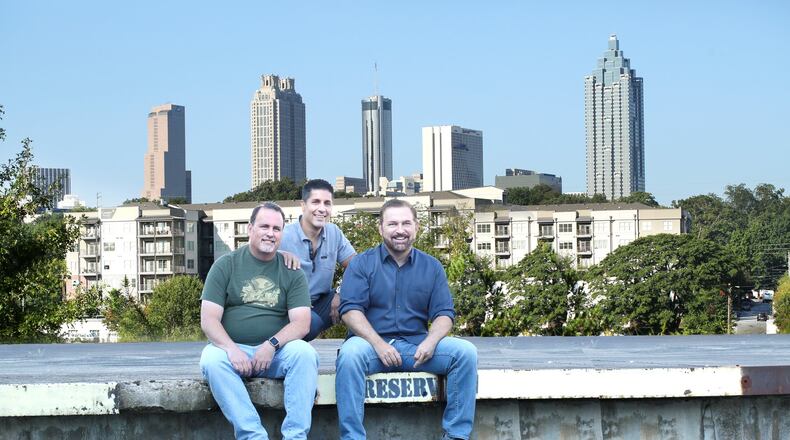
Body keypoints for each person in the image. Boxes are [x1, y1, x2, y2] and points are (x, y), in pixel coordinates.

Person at [335, 199, 478, 440]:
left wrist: (431, 341)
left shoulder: (432, 267)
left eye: (405, 223)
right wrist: (378, 344)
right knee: (349, 356)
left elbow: (444, 314)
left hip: (417, 348)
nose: (399, 229)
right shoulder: (361, 264)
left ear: (416, 227)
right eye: (392, 224)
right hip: (370, 346)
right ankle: (353, 438)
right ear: (380, 228)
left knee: (465, 353)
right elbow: (350, 311)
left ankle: (456, 436)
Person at [199, 202, 319, 440]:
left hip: (276, 352)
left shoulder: (291, 270)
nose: (270, 233)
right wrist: (231, 350)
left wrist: (271, 345)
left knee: (305, 354)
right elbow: (209, 320)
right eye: (264, 226)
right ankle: (253, 435)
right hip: (235, 351)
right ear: (250, 229)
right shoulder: (226, 265)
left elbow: (302, 323)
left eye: (276, 228)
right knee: (212, 359)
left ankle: (295, 436)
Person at [279, 179, 355, 340]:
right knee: (309, 323)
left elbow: (357, 266)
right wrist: (278, 255)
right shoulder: (283, 237)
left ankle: (353, 348)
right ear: (303, 205)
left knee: (364, 290)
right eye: (316, 202)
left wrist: (341, 292)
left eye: (327, 203)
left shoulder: (333, 232)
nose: (322, 209)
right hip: (289, 310)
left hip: (321, 303)